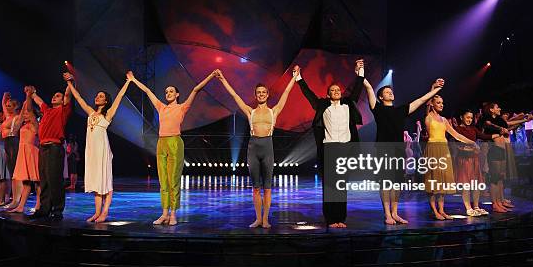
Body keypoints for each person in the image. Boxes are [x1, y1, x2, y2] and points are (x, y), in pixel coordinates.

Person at [128, 70, 216, 225]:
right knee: (163, 181)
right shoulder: (161, 107)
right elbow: (148, 91)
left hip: (175, 142)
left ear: (177, 94)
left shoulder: (182, 107)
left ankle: (173, 214)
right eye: (166, 91)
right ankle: (164, 213)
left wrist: (210, 76)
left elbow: (196, 89)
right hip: (161, 143)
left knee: (173, 179)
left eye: (171, 91)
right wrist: (133, 79)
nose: (168, 93)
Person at [215, 67, 298, 228]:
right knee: (255, 188)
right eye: (258, 92)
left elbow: (286, 94)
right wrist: (222, 79)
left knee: (267, 188)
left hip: (268, 149)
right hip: (253, 149)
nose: (261, 94)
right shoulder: (249, 111)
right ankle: (258, 219)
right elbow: (234, 96)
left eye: (263, 92)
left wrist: (294, 77)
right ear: (255, 95)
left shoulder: (274, 111)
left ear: (267, 95)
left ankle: (265, 219)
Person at [363, 77, 446, 224]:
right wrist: (361, 75)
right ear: (381, 97)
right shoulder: (377, 108)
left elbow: (420, 100)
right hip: (383, 149)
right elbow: (369, 88)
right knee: (385, 183)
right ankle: (387, 214)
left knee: (397, 183)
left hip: (398, 149)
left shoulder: (401, 110)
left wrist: (435, 89)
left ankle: (395, 213)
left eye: (391, 91)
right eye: (386, 92)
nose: (390, 93)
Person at [296, 60, 364, 228]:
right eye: (332, 90)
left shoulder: (348, 104)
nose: (336, 91)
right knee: (330, 185)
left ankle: (341, 218)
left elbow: (357, 90)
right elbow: (309, 94)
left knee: (342, 185)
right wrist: (299, 78)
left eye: (338, 90)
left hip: (346, 148)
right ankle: (331, 219)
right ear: (328, 94)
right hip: (330, 148)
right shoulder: (323, 105)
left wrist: (360, 72)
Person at [65, 72, 131, 222]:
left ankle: (105, 212)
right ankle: (96, 212)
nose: (97, 97)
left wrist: (129, 82)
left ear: (106, 100)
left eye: (101, 96)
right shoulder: (91, 112)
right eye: (97, 95)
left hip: (102, 150)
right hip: (92, 151)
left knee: (105, 181)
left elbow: (120, 97)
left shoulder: (108, 115)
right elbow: (78, 98)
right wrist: (70, 84)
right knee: (96, 182)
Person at [424, 95, 477, 220]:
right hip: (433, 149)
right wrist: (433, 89)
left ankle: (442, 210)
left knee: (442, 181)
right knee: (433, 181)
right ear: (432, 104)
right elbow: (426, 104)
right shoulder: (428, 117)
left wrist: (471, 142)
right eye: (438, 102)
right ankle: (435, 211)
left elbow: (456, 135)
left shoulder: (443, 120)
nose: (441, 105)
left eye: (442, 102)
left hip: (443, 149)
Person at [27, 80, 73, 220]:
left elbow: (68, 93)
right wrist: (32, 93)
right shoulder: (47, 110)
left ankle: (57, 210)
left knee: (55, 180)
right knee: (44, 180)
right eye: (53, 95)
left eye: (58, 96)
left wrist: (70, 81)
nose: (54, 97)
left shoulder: (63, 110)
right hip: (43, 147)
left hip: (54, 147)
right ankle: (44, 209)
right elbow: (38, 100)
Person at [478, 102, 531, 212]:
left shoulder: (499, 120)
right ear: (491, 109)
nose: (499, 108)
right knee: (495, 178)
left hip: (501, 149)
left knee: (500, 177)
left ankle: (500, 201)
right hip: (494, 149)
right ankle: (495, 204)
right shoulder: (486, 119)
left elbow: (509, 123)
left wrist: (525, 120)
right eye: (497, 107)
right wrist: (499, 128)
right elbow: (487, 125)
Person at [453, 109, 499, 216]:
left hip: (474, 159)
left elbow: (484, 136)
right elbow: (458, 146)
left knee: (476, 184)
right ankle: (468, 208)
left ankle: (476, 206)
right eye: (467, 117)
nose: (469, 120)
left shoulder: (473, 128)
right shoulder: (458, 129)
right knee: (466, 185)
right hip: (464, 160)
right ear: (462, 117)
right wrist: (471, 148)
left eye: (471, 118)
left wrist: (498, 134)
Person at [8, 88, 41, 213]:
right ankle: (21, 206)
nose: (25, 114)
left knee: (37, 181)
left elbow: (29, 109)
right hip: (23, 154)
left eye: (28, 113)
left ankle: (38, 205)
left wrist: (28, 96)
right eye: (25, 113)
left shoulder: (34, 124)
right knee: (26, 182)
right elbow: (22, 114)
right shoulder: (23, 125)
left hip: (32, 153)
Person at [1, 92, 21, 209]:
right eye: (7, 106)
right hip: (7, 143)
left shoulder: (17, 117)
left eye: (10, 106)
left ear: (15, 107)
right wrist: (4, 98)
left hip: (13, 142)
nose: (7, 107)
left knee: (14, 172)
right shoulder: (8, 117)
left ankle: (16, 199)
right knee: (10, 171)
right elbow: (3, 105)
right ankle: (14, 197)